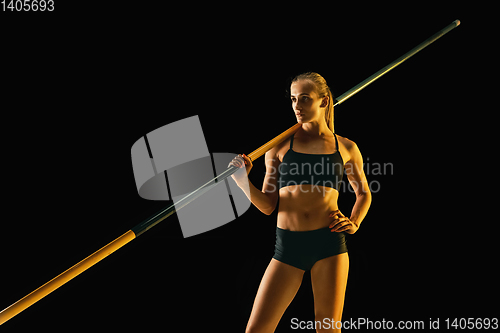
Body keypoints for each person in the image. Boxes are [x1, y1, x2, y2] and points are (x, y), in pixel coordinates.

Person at [229, 72, 371, 333]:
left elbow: (363, 193)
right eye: (294, 99)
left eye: (305, 99)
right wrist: (241, 182)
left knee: (328, 330)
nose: (297, 106)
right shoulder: (279, 147)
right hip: (288, 247)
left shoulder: (347, 147)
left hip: (330, 246)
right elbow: (268, 205)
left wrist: (354, 222)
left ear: (324, 101)